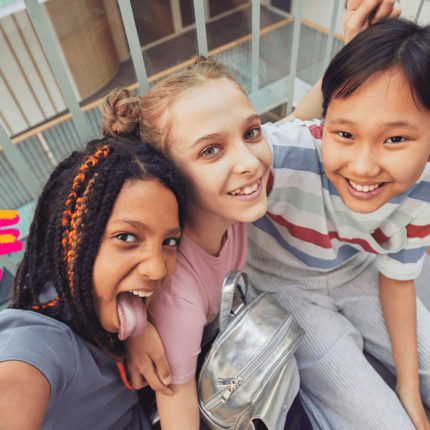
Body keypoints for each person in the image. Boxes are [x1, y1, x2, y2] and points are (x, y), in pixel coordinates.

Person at [102, 2, 401, 428]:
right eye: (211, 150)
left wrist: (350, 47)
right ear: (168, 174)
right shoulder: (179, 300)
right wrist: (138, 325)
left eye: (251, 131)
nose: (250, 162)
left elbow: (297, 119)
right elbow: (178, 407)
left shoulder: (232, 190)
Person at [247, 17, 430, 430]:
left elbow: (398, 280)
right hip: (284, 286)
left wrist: (409, 387)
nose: (363, 167)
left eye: (395, 139)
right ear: (323, 123)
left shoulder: (424, 186)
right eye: (344, 134)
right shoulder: (279, 155)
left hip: (358, 271)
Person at [0, 138, 187, 429]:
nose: (157, 268)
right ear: (72, 245)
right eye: (126, 237)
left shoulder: (106, 309)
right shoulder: (37, 342)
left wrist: (137, 332)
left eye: (169, 241)